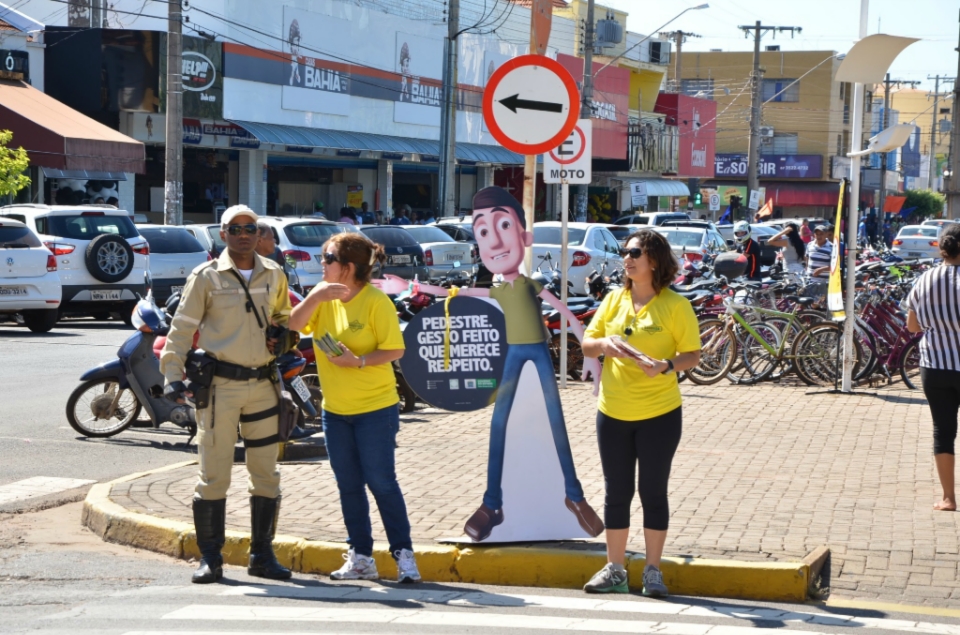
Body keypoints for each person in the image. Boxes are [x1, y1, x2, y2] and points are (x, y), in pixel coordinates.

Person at [374, 187, 604, 542]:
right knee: (499, 423)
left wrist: (589, 354)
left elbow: (566, 314)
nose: (495, 242)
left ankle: (575, 498)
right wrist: (409, 285)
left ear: (524, 237)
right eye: (483, 232)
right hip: (514, 352)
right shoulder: (498, 290)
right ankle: (492, 505)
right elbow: (460, 293)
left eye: (504, 227)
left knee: (556, 421)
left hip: (538, 353)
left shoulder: (530, 284)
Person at [160, 205, 293, 584]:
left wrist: (284, 335)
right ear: (223, 235)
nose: (243, 234)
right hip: (220, 390)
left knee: (266, 474)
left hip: (264, 387)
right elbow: (182, 329)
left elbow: (284, 318)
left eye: (250, 228)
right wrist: (172, 375)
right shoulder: (206, 277)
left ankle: (262, 556)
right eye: (235, 229)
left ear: (258, 233)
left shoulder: (274, 274)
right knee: (213, 476)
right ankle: (211, 558)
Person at [288, 233, 421, 583]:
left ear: (348, 267)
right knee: (348, 484)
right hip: (336, 411)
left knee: (381, 482)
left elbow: (395, 350)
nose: (322, 264)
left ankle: (404, 555)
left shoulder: (377, 302)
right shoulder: (324, 299)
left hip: (376, 409)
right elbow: (293, 324)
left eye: (328, 258)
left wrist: (357, 361)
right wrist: (315, 295)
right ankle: (361, 556)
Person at [581, 229, 701, 597]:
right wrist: (605, 345)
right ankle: (615, 569)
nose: (627, 258)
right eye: (624, 252)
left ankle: (652, 570)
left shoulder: (675, 306)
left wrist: (665, 365)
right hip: (613, 411)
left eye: (635, 252)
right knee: (616, 492)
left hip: (659, 414)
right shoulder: (614, 298)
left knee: (653, 491)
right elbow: (587, 344)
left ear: (655, 261)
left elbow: (692, 356)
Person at [905, 224, 960, 511]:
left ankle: (949, 498)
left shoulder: (925, 279)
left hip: (935, 364)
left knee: (943, 430)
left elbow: (913, 325)